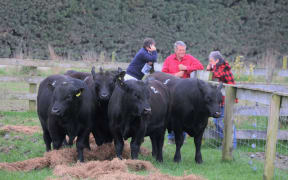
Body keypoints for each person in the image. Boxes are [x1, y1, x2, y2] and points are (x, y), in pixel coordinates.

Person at [162, 41, 204, 144]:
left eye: (184, 50)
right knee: (171, 112)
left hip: (185, 92)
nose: (182, 52)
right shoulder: (169, 59)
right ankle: (171, 137)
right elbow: (163, 74)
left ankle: (182, 137)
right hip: (171, 90)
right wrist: (175, 75)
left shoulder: (189, 58)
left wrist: (186, 68)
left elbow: (200, 66)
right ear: (175, 50)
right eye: (180, 50)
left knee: (184, 112)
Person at [206, 51, 237, 149]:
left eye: (211, 61)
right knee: (217, 121)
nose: (210, 63)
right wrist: (211, 67)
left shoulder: (224, 67)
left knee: (225, 121)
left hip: (228, 98)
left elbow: (218, 75)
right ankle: (225, 143)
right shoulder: (219, 67)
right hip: (222, 99)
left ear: (217, 60)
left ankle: (231, 144)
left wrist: (211, 67)